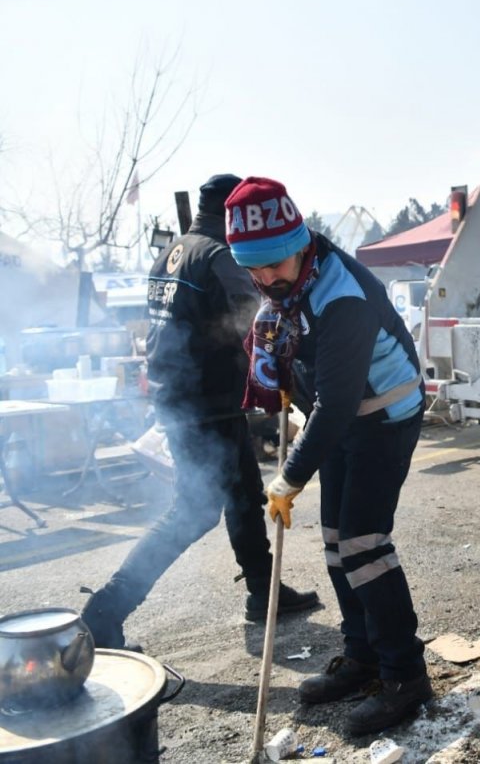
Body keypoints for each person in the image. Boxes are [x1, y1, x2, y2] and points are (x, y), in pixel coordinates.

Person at [224, 176, 429, 735]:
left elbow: (337, 406)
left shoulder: (343, 296)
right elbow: (322, 388)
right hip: (341, 418)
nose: (267, 279)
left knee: (365, 544)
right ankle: (362, 656)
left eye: (275, 265)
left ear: (300, 243)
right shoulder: (290, 289)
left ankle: (405, 676)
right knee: (337, 546)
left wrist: (288, 478)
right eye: (255, 269)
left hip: (384, 416)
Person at [82, 174, 319, 650]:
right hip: (204, 400)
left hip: (186, 394)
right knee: (193, 511)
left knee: (243, 492)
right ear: (229, 215)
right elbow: (253, 318)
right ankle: (103, 612)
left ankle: (262, 591)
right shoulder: (215, 254)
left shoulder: (170, 252)